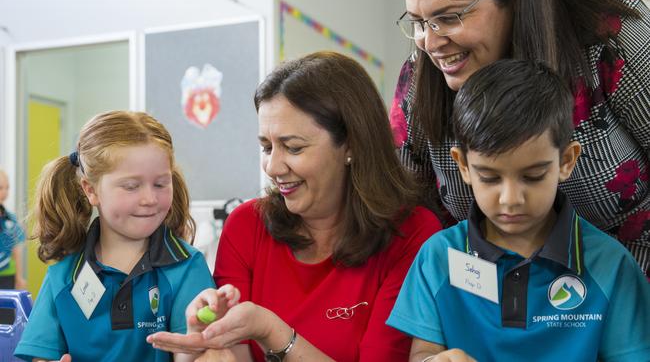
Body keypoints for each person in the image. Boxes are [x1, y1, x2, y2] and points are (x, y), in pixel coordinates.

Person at [146, 51, 443, 361]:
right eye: (266, 146)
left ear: (352, 144)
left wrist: (271, 331)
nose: (272, 167)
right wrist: (204, 344)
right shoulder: (246, 225)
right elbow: (233, 356)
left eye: (293, 147)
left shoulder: (412, 234)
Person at [387, 59, 650, 361]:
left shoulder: (611, 266)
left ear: (566, 161)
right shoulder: (437, 258)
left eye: (533, 176)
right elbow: (423, 352)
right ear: (463, 166)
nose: (510, 199)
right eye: (490, 177)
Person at [391, 0, 650, 278]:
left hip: (628, 285)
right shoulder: (421, 76)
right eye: (418, 23)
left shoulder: (609, 29)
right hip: (487, 300)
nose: (430, 43)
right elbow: (406, 211)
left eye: (450, 18)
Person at [14, 111, 215, 362]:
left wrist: (195, 343)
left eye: (161, 184)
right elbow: (40, 356)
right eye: (131, 186)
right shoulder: (62, 277)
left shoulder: (187, 268)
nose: (150, 199)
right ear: (90, 190)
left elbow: (194, 354)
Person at [0, 169, 27, 290]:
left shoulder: (11, 219)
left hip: (7, 275)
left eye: (7, 188)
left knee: (6, 308)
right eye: (1, 188)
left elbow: (17, 249)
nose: (5, 192)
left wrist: (19, 277)